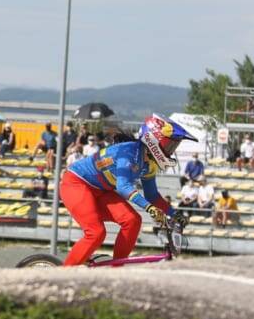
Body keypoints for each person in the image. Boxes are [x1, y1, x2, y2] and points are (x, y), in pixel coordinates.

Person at [60, 114, 196, 266]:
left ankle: (117, 269)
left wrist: (174, 213)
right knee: (96, 233)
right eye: (169, 146)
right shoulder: (128, 152)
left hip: (101, 190)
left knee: (133, 221)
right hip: (76, 184)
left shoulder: (149, 163)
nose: (171, 152)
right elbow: (123, 187)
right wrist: (150, 209)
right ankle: (63, 273)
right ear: (154, 140)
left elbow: (152, 195)